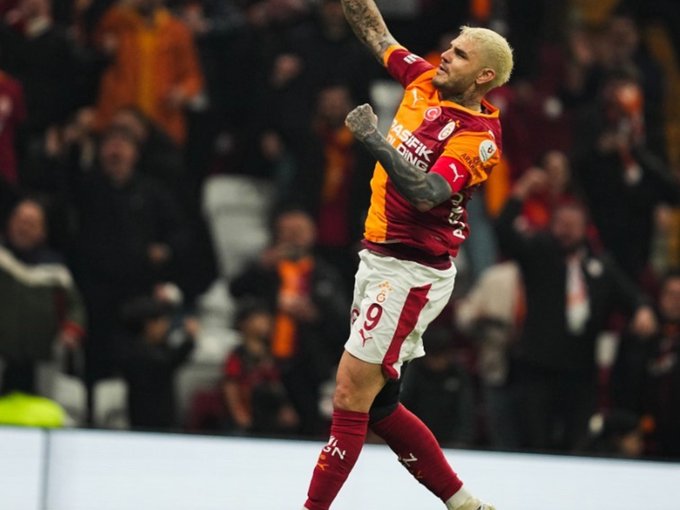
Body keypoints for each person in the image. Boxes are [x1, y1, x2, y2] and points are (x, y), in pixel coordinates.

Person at [302, 1, 513, 508]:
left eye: (459, 54)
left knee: (349, 395)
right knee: (378, 406)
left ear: (483, 77)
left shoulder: (478, 137)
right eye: (449, 47)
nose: (445, 56)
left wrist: (373, 139)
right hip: (378, 257)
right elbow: (378, 34)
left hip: (410, 271)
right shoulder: (423, 80)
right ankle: (463, 503)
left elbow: (426, 193)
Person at [495, 168, 657, 452]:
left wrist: (643, 309)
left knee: (579, 444)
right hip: (538, 368)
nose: (566, 231)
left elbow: (631, 295)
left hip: (580, 372)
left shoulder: (599, 265)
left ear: (585, 229)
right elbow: (504, 232)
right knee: (536, 443)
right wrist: (521, 192)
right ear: (552, 224)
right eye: (561, 224)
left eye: (573, 225)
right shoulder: (539, 252)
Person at [231, 208, 348, 436]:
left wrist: (315, 314)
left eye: (299, 231)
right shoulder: (266, 268)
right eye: (287, 231)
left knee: (309, 424)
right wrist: (261, 268)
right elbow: (235, 290)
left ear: (312, 234)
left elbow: (343, 321)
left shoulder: (324, 273)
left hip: (309, 363)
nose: (293, 238)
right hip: (265, 361)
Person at [0, 199, 85, 395]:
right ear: (9, 223)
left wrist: (71, 330)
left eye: (31, 224)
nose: (24, 228)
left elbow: (75, 307)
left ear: (42, 231)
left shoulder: (55, 269)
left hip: (43, 361)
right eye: (20, 221)